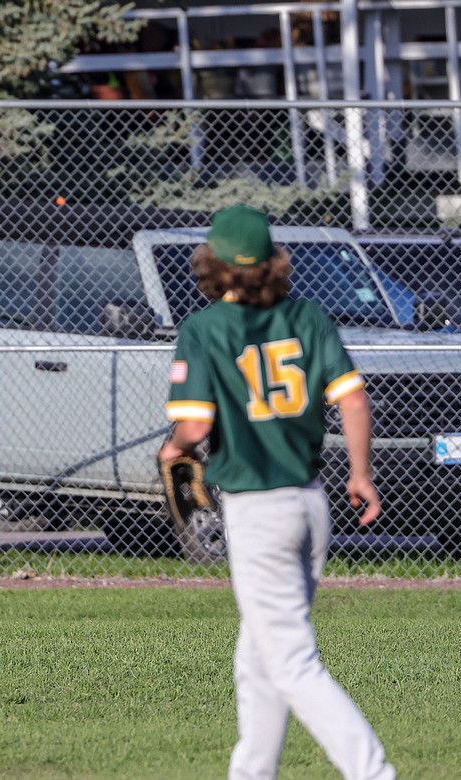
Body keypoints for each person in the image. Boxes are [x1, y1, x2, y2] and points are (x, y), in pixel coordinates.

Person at [158, 204, 395, 780]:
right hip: (311, 502)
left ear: (210, 264)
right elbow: (355, 401)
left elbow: (192, 429)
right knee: (257, 657)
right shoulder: (308, 316)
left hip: (257, 509)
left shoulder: (205, 328)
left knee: (291, 662)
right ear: (273, 261)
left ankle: (373, 772)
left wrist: (172, 452)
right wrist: (360, 474)